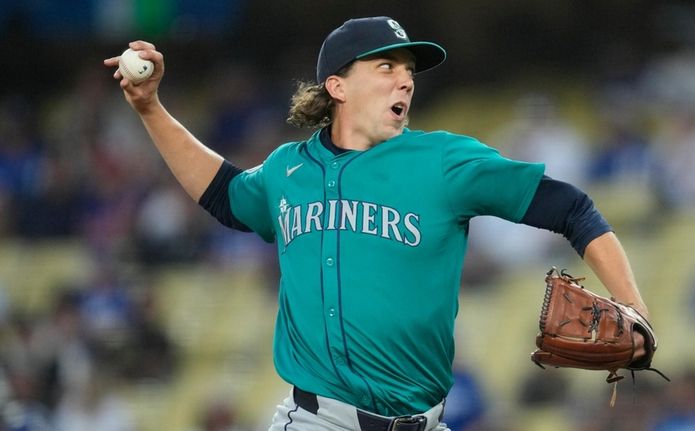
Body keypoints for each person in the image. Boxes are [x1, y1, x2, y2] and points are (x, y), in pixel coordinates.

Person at [104, 16, 654, 431]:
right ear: (337, 87)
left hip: (425, 420)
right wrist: (151, 109)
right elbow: (225, 196)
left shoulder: (443, 162)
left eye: (409, 72)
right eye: (386, 67)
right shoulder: (287, 170)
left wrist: (633, 305)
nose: (405, 82)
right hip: (319, 420)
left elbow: (573, 209)